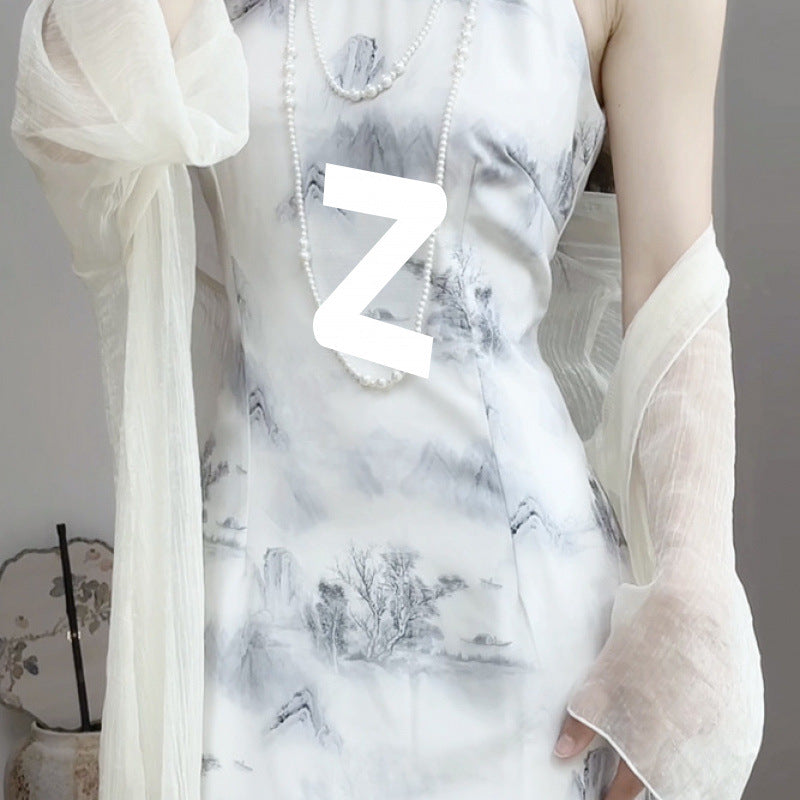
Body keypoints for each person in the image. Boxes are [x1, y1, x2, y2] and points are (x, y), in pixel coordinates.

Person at [11, 1, 763, 799]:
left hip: (521, 641)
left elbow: (674, 283)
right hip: (250, 631)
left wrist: (693, 596)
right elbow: (69, 110)